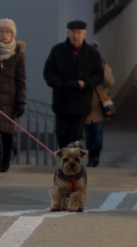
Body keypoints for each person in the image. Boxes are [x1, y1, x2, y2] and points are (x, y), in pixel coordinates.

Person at [43, 20, 104, 150]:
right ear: (68, 33)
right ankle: (64, 164)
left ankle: (74, 165)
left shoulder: (92, 53)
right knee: (61, 134)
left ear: (84, 34)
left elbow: (99, 75)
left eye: (79, 33)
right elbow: (49, 71)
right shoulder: (57, 51)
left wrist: (84, 83)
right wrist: (57, 83)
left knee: (75, 136)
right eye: (73, 33)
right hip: (62, 101)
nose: (76, 36)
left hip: (81, 102)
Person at [0, 18, 26, 173]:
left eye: (8, 31)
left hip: (10, 99)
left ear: (12, 34)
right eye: (2, 31)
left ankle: (5, 161)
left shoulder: (18, 53)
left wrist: (21, 101)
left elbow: (21, 79)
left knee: (7, 133)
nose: (4, 34)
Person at [83, 61, 113, 167]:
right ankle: (91, 156)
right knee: (88, 135)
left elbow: (110, 83)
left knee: (97, 134)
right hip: (86, 106)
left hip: (99, 107)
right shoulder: (83, 66)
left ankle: (95, 156)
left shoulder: (104, 68)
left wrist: (103, 69)